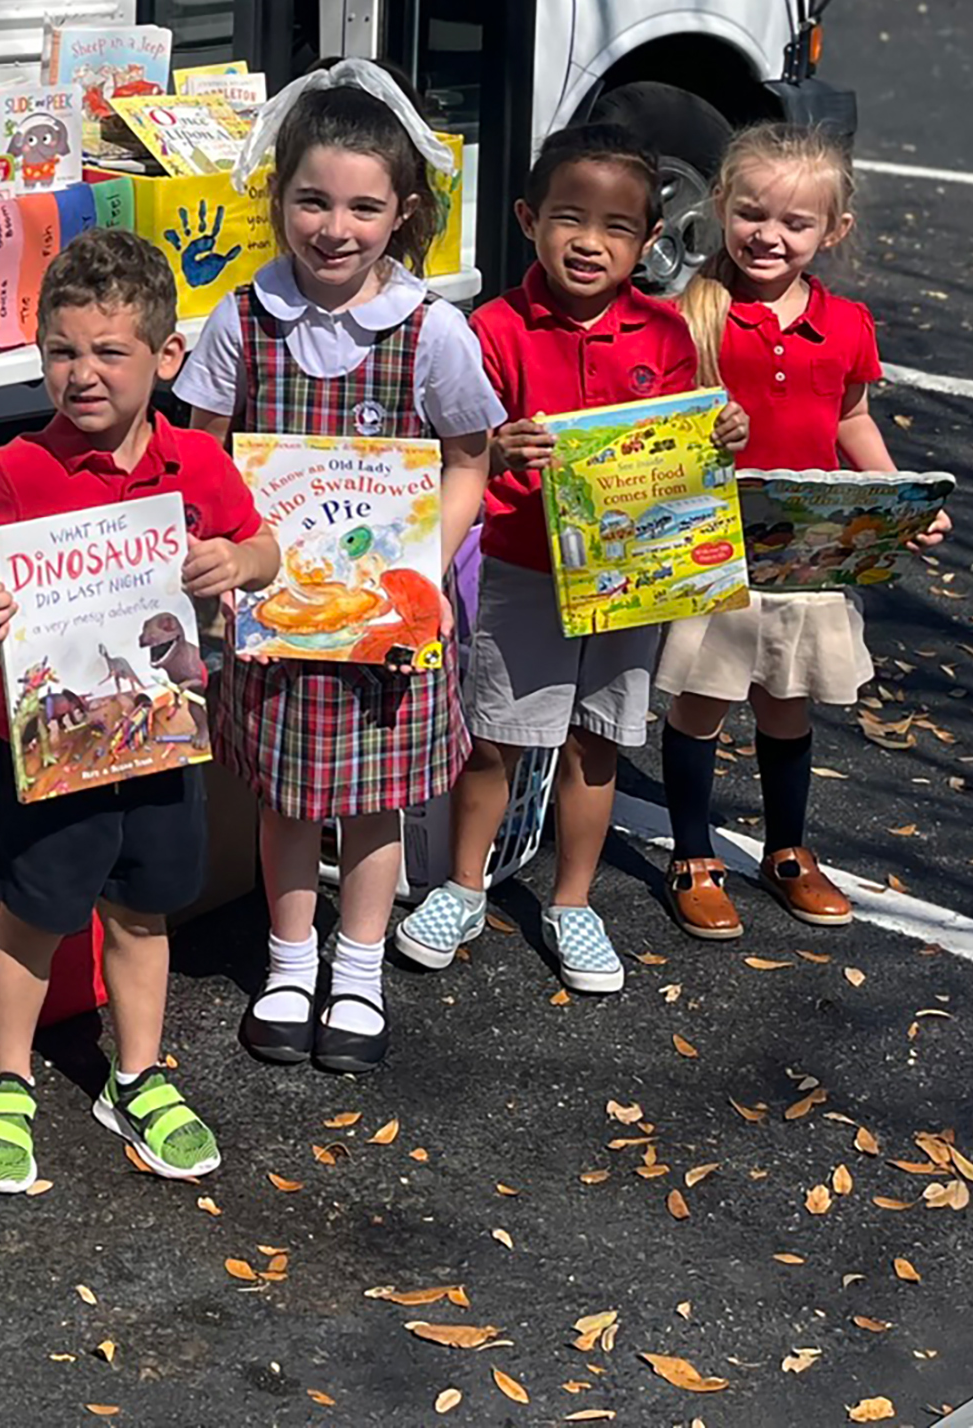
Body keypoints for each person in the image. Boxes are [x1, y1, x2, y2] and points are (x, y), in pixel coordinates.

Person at [174, 63, 501, 1073]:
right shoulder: (242, 320)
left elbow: (469, 458)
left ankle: (355, 970)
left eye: (364, 206)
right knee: (283, 797)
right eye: (313, 200)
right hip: (275, 616)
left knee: (371, 799)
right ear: (278, 198)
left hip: (387, 624)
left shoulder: (431, 330)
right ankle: (287, 962)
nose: (334, 227)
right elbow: (201, 449)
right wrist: (215, 551)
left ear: (401, 214)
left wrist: (424, 563)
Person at [0, 228, 279, 1191]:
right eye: (61, 351)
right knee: (32, 914)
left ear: (166, 358)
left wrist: (233, 563)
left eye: (108, 352)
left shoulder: (194, 466)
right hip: (45, 747)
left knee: (141, 913)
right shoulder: (15, 470)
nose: (81, 374)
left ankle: (134, 1075)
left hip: (160, 741)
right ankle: (6, 1078)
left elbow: (262, 548)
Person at [395, 122, 749, 994]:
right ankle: (463, 885)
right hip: (523, 566)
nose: (588, 242)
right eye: (567, 218)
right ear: (526, 218)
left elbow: (680, 458)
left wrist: (722, 435)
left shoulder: (664, 336)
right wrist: (500, 449)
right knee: (496, 739)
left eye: (616, 228)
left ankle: (572, 902)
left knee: (596, 742)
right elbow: (458, 452)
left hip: (631, 582)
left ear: (650, 242)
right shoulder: (494, 329)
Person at [654, 123, 950, 938]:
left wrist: (899, 495)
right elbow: (652, 426)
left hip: (813, 552)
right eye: (751, 214)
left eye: (794, 224)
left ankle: (786, 851)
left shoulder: (846, 323)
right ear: (719, 207)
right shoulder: (688, 313)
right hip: (715, 550)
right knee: (701, 704)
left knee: (787, 706)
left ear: (832, 232)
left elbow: (851, 416)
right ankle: (691, 854)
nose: (768, 236)